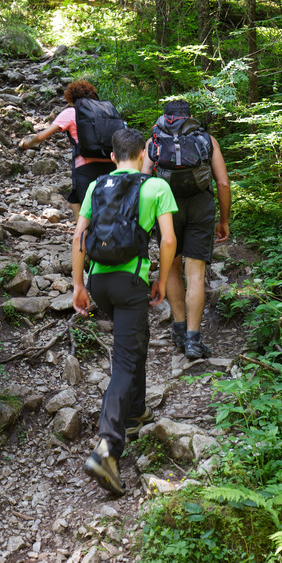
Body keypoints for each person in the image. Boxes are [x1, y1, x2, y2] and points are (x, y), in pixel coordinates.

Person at [72, 127, 177, 496]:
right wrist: (161, 280)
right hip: (131, 282)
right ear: (145, 152)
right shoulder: (155, 187)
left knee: (133, 343)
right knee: (125, 361)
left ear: (114, 157)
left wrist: (78, 285)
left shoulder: (96, 186)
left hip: (100, 283)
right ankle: (107, 447)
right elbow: (167, 239)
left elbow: (79, 237)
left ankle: (135, 411)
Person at [142, 98, 231, 361]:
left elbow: (144, 182)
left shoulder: (153, 141)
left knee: (171, 267)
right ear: (189, 117)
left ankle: (179, 329)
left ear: (165, 117)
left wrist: (145, 222)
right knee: (195, 272)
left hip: (165, 208)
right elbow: (223, 183)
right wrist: (224, 220)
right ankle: (193, 339)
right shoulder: (207, 139)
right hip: (200, 205)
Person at [18, 79, 117, 220]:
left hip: (86, 166)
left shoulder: (72, 112)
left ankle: (82, 236)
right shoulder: (107, 111)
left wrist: (28, 143)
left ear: (71, 98)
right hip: (111, 164)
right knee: (97, 205)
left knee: (87, 213)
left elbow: (41, 136)